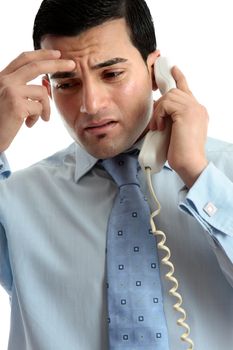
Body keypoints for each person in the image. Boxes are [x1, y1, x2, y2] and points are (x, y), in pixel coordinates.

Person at [0, 0, 232, 349]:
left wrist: (196, 174)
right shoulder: (16, 198)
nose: (90, 105)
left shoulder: (222, 173)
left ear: (157, 73)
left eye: (111, 74)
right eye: (67, 83)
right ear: (47, 88)